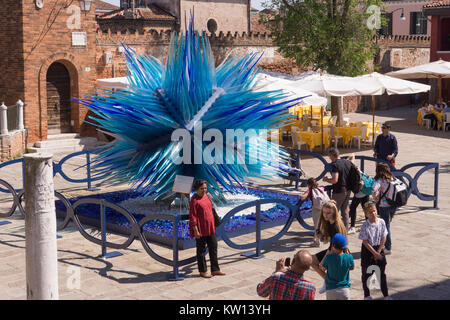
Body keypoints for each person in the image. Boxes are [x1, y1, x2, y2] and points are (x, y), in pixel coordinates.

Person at [189, 179, 226, 278]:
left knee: (213, 247)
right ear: (196, 189)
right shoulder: (194, 200)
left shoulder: (208, 196)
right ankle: (203, 271)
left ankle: (215, 269)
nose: (204, 190)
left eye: (205, 188)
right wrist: (195, 230)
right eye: (202, 188)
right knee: (201, 251)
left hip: (210, 228)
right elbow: (192, 217)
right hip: (201, 229)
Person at [310, 200, 348, 293]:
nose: (325, 215)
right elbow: (330, 240)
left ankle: (329, 282)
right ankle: (328, 282)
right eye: (324, 212)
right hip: (333, 249)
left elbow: (333, 247)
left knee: (318, 264)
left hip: (337, 253)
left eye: (328, 213)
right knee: (312, 261)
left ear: (334, 213)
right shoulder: (329, 222)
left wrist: (323, 261)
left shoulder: (335, 226)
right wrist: (321, 236)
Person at [359, 201, 392, 300]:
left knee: (381, 273)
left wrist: (378, 251)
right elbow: (365, 241)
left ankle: (386, 295)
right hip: (368, 250)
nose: (373, 213)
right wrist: (374, 253)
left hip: (379, 248)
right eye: (370, 212)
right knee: (366, 274)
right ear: (366, 214)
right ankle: (367, 295)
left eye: (374, 211)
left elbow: (384, 236)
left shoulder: (381, 222)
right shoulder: (365, 225)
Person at [323, 147, 352, 230]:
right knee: (345, 211)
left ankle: (332, 230)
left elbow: (334, 180)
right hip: (348, 190)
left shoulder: (335, 165)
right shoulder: (347, 162)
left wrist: (326, 179)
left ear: (333, 155)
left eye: (329, 156)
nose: (329, 158)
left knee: (332, 211)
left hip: (339, 191)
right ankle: (345, 230)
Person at [320, 233, 354, 300]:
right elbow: (352, 268)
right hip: (344, 290)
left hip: (331, 289)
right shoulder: (349, 257)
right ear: (344, 246)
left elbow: (322, 268)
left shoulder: (328, 257)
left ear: (332, 245)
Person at [371, 163, 396, 255]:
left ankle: (388, 247)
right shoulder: (393, 178)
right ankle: (384, 243)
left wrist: (376, 200)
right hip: (394, 204)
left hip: (384, 206)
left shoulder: (380, 180)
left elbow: (373, 191)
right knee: (388, 223)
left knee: (386, 227)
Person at [299, 178, 329, 247]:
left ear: (309, 184)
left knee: (317, 225)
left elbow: (303, 197)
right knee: (323, 223)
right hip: (324, 207)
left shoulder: (310, 190)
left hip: (316, 208)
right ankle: (325, 237)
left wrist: (299, 195)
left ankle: (316, 242)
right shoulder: (321, 188)